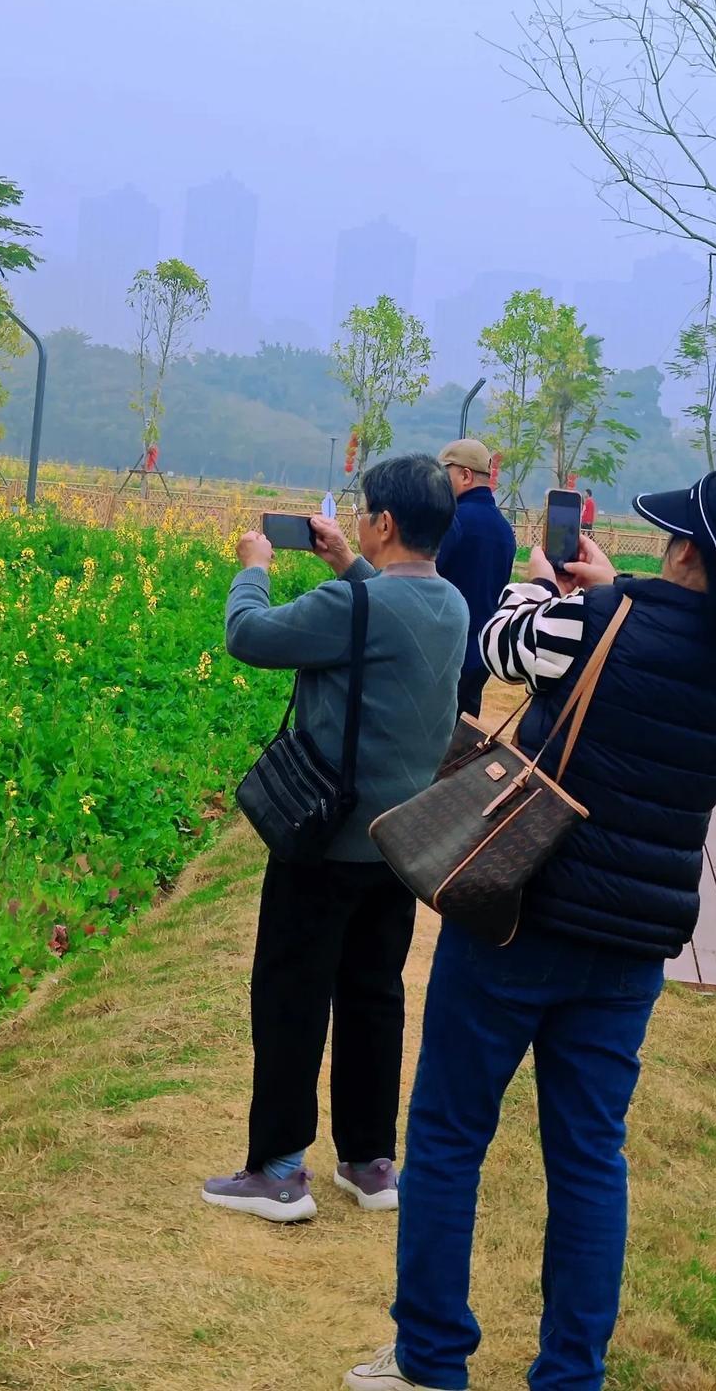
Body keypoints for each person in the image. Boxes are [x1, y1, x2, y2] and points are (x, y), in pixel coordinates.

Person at [345, 470, 716, 1391]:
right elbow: (663, 671)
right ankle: (569, 1376)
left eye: (673, 537)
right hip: (632, 946)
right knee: (591, 1158)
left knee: (447, 1135)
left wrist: (547, 582)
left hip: (523, 914)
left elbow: (499, 641)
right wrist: (611, 602)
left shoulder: (592, 623)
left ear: (688, 552)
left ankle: (430, 1359)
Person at [202, 454, 467, 1225]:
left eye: (363, 512)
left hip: (322, 843)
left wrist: (254, 566)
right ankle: (371, 1161)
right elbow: (386, 616)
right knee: (373, 997)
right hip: (400, 844)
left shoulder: (346, 606)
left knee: (290, 997)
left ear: (383, 523)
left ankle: (280, 1172)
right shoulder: (451, 604)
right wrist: (354, 567)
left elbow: (249, 636)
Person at [435, 439, 517, 722]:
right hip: (481, 653)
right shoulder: (505, 529)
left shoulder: (452, 521)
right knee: (464, 738)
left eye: (444, 475)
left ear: (465, 475)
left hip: (443, 651)